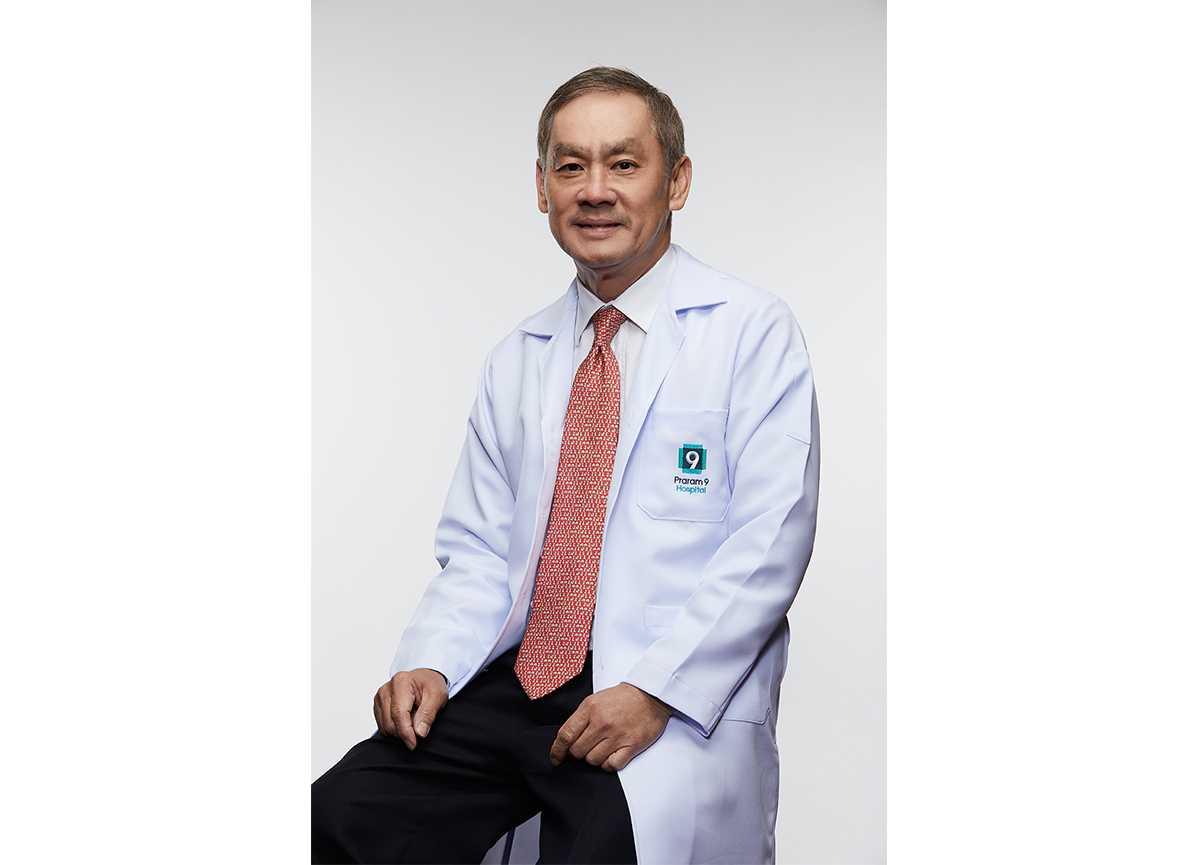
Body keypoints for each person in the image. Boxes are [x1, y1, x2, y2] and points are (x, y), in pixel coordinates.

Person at [312, 66, 820, 864]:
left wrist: (654, 690)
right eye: (571, 165)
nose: (595, 190)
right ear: (542, 186)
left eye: (624, 163)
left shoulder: (750, 331)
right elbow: (480, 550)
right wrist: (431, 658)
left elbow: (769, 542)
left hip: (657, 689)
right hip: (518, 679)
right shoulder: (519, 356)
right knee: (339, 814)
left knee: (600, 849)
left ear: (677, 181)